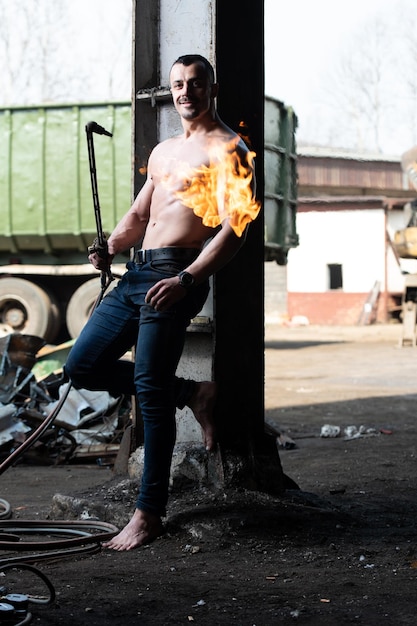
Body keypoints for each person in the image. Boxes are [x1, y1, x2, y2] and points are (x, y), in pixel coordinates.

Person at [64, 53, 259, 551]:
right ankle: (192, 393)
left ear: (212, 88)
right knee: (82, 366)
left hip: (176, 272)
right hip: (137, 272)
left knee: (148, 392)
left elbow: (234, 231)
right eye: (177, 84)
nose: (185, 92)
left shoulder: (230, 150)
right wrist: (109, 247)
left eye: (195, 83)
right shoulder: (164, 150)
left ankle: (148, 513)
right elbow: (137, 214)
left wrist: (189, 280)